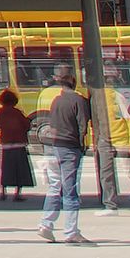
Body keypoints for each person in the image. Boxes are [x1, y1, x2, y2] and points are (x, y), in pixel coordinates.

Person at [36, 64, 93, 245]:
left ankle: (46, 224)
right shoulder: (79, 101)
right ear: (73, 81)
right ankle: (71, 231)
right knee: (70, 191)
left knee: (54, 187)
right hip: (69, 148)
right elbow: (83, 126)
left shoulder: (56, 101)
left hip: (53, 147)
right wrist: (84, 144)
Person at [0, 89, 34, 201]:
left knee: (5, 169)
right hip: (19, 144)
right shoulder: (17, 112)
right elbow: (27, 125)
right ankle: (17, 194)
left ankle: (3, 192)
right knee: (19, 170)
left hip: (6, 144)